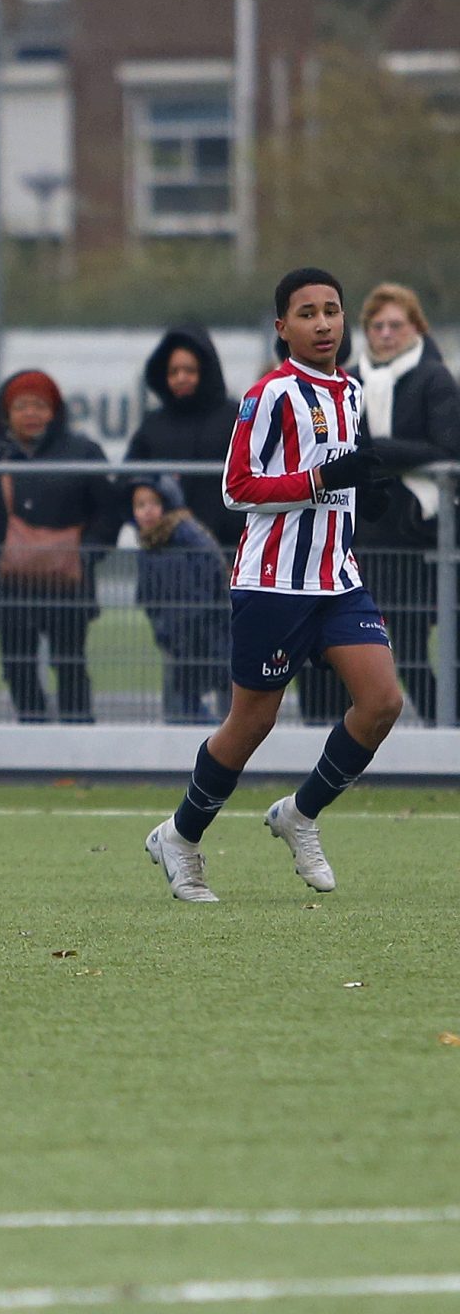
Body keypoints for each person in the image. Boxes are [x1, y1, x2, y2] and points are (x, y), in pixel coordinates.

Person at [146, 267, 404, 904]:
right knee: (251, 723)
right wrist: (320, 482)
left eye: (331, 310)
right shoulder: (270, 395)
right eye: (307, 313)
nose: (323, 323)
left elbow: (343, 473)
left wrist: (367, 495)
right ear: (283, 327)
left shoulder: (351, 392)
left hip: (337, 578)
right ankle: (180, 836)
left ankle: (300, 813)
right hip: (273, 583)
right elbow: (236, 488)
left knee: (382, 702)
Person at [0, 369, 120, 724]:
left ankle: (77, 732)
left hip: (68, 585)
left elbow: (108, 512)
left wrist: (86, 555)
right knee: (17, 668)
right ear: (6, 413)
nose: (31, 414)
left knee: (70, 664)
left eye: (39, 406)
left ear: (54, 410)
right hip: (7, 588)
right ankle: (32, 732)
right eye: (21, 407)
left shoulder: (83, 452)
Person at [350, 282, 460, 723]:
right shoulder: (351, 381)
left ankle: (447, 725)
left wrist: (379, 451)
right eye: (377, 326)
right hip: (368, 532)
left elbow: (448, 447)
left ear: (416, 327)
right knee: (388, 646)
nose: (386, 334)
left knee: (426, 639)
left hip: (424, 532)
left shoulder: (434, 378)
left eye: (396, 324)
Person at [124, 327, 243, 551]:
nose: (181, 378)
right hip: (163, 552)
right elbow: (128, 481)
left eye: (189, 370)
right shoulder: (153, 424)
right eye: (173, 372)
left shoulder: (234, 418)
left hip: (229, 550)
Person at [130, 475, 230, 725]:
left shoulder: (186, 539)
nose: (147, 511)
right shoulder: (153, 544)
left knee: (193, 708)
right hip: (182, 639)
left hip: (203, 637)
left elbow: (204, 592)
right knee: (187, 704)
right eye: (140, 505)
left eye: (154, 503)